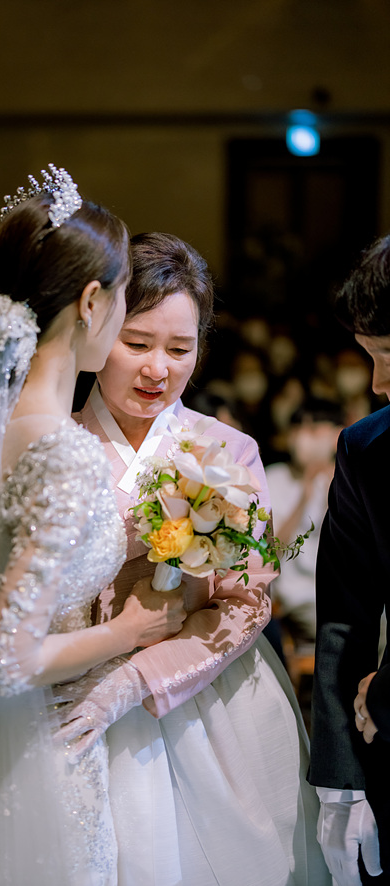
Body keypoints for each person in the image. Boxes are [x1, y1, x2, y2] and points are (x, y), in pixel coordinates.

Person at [0, 230, 330, 885]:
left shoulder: (225, 452)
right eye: (136, 343)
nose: (157, 369)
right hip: (45, 711)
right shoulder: (41, 442)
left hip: (192, 705)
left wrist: (134, 681)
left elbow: (246, 602)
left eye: (179, 349)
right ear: (98, 324)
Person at [0, 167, 187, 886]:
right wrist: (129, 632)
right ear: (92, 302)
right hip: (44, 752)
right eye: (122, 298)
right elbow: (6, 661)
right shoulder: (63, 453)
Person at [310, 233, 390, 886]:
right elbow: (343, 616)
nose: (378, 383)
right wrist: (341, 782)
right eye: (368, 357)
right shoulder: (366, 450)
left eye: (389, 355)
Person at [266, 397, 344, 646]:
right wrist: (305, 496)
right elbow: (270, 549)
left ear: (336, 435)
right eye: (297, 429)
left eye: (313, 429)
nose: (302, 438)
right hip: (299, 597)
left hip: (347, 592)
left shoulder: (346, 478)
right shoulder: (274, 477)